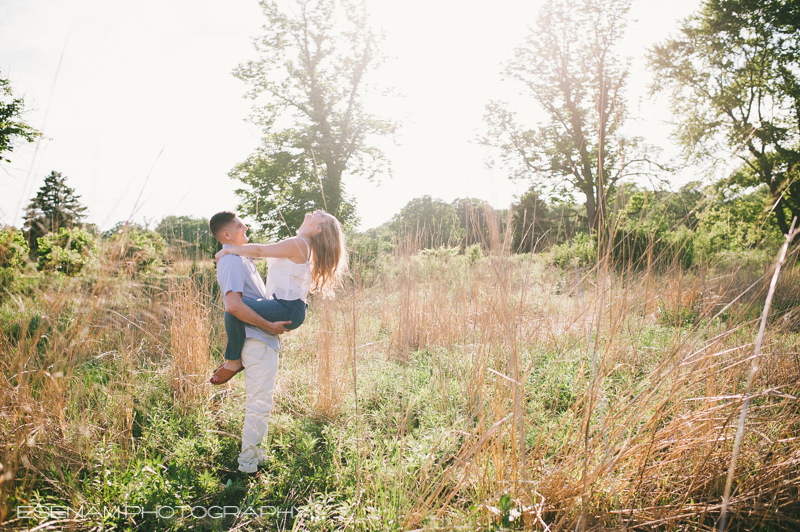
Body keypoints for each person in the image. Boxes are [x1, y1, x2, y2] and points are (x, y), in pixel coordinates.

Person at [207, 210, 347, 473]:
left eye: (321, 216)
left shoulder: (299, 243)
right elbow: (255, 259)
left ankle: (233, 360)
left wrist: (228, 251)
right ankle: (250, 460)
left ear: (318, 229)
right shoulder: (297, 244)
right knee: (233, 308)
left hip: (287, 308)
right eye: (238, 225)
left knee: (232, 309)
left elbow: (259, 250)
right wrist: (232, 253)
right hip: (282, 312)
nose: (316, 211)